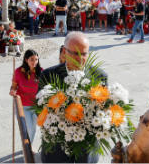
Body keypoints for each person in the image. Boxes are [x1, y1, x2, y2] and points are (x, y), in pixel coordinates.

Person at [39, 32, 106, 163]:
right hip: (56, 150)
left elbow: (103, 110)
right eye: (75, 53)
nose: (80, 58)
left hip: (86, 151)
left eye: (85, 53)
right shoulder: (48, 75)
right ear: (64, 52)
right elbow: (40, 111)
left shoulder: (100, 76)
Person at [9, 49, 42, 144]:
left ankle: (27, 146)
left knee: (34, 128)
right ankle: (28, 149)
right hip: (23, 106)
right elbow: (14, 87)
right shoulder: (18, 72)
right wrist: (12, 91)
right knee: (30, 128)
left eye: (36, 59)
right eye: (32, 59)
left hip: (37, 106)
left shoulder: (41, 71)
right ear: (26, 60)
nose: (34, 62)